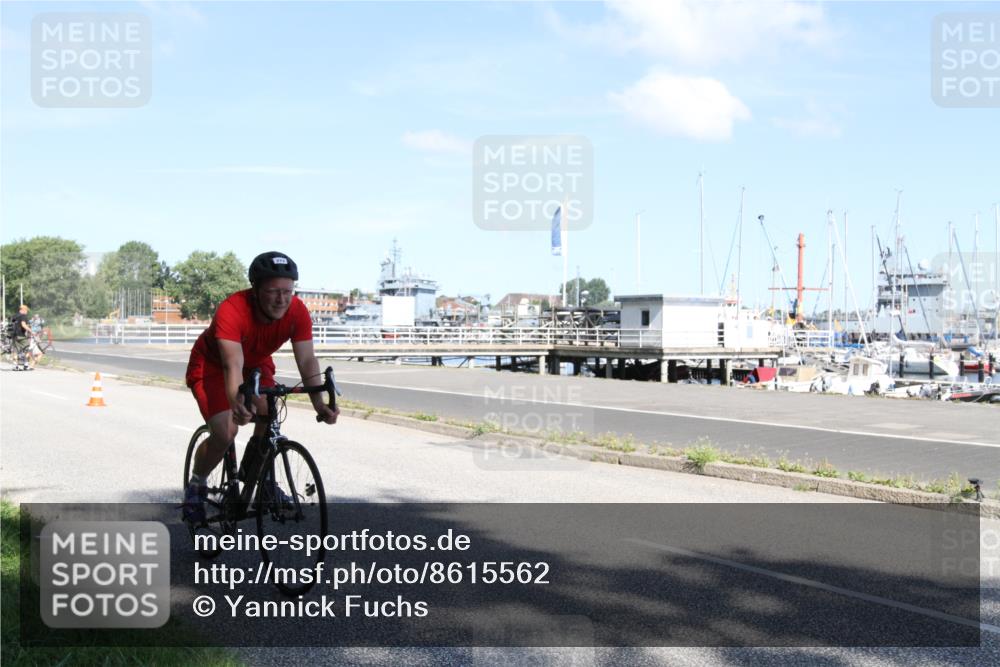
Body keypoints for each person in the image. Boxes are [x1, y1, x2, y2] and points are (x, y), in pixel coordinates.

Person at [182, 251, 339, 523]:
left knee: (269, 410)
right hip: (213, 365)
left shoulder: (297, 311)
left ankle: (260, 475)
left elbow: (306, 360)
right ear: (255, 290)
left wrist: (318, 403)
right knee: (226, 431)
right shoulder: (232, 310)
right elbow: (232, 364)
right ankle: (196, 485)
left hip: (255, 363)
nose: (282, 299)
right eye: (273, 292)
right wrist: (237, 403)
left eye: (287, 291)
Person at [11, 305, 36, 370]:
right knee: (28, 349)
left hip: (14, 335)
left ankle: (15, 366)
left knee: (15, 351)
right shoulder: (23, 316)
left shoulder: (14, 316)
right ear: (23, 310)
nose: (27, 312)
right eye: (26, 310)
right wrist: (31, 331)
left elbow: (13, 325)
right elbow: (23, 325)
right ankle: (26, 365)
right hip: (21, 335)